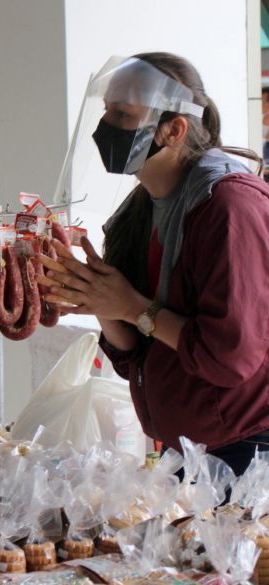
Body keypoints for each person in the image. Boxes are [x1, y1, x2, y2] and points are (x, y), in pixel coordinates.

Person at [38, 52, 269, 477]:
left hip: (245, 452)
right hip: (182, 450)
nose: (103, 128)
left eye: (122, 115)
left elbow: (230, 358)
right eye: (105, 111)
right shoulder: (137, 209)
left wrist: (132, 307)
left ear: (173, 129)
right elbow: (135, 356)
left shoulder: (228, 205)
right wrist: (100, 299)